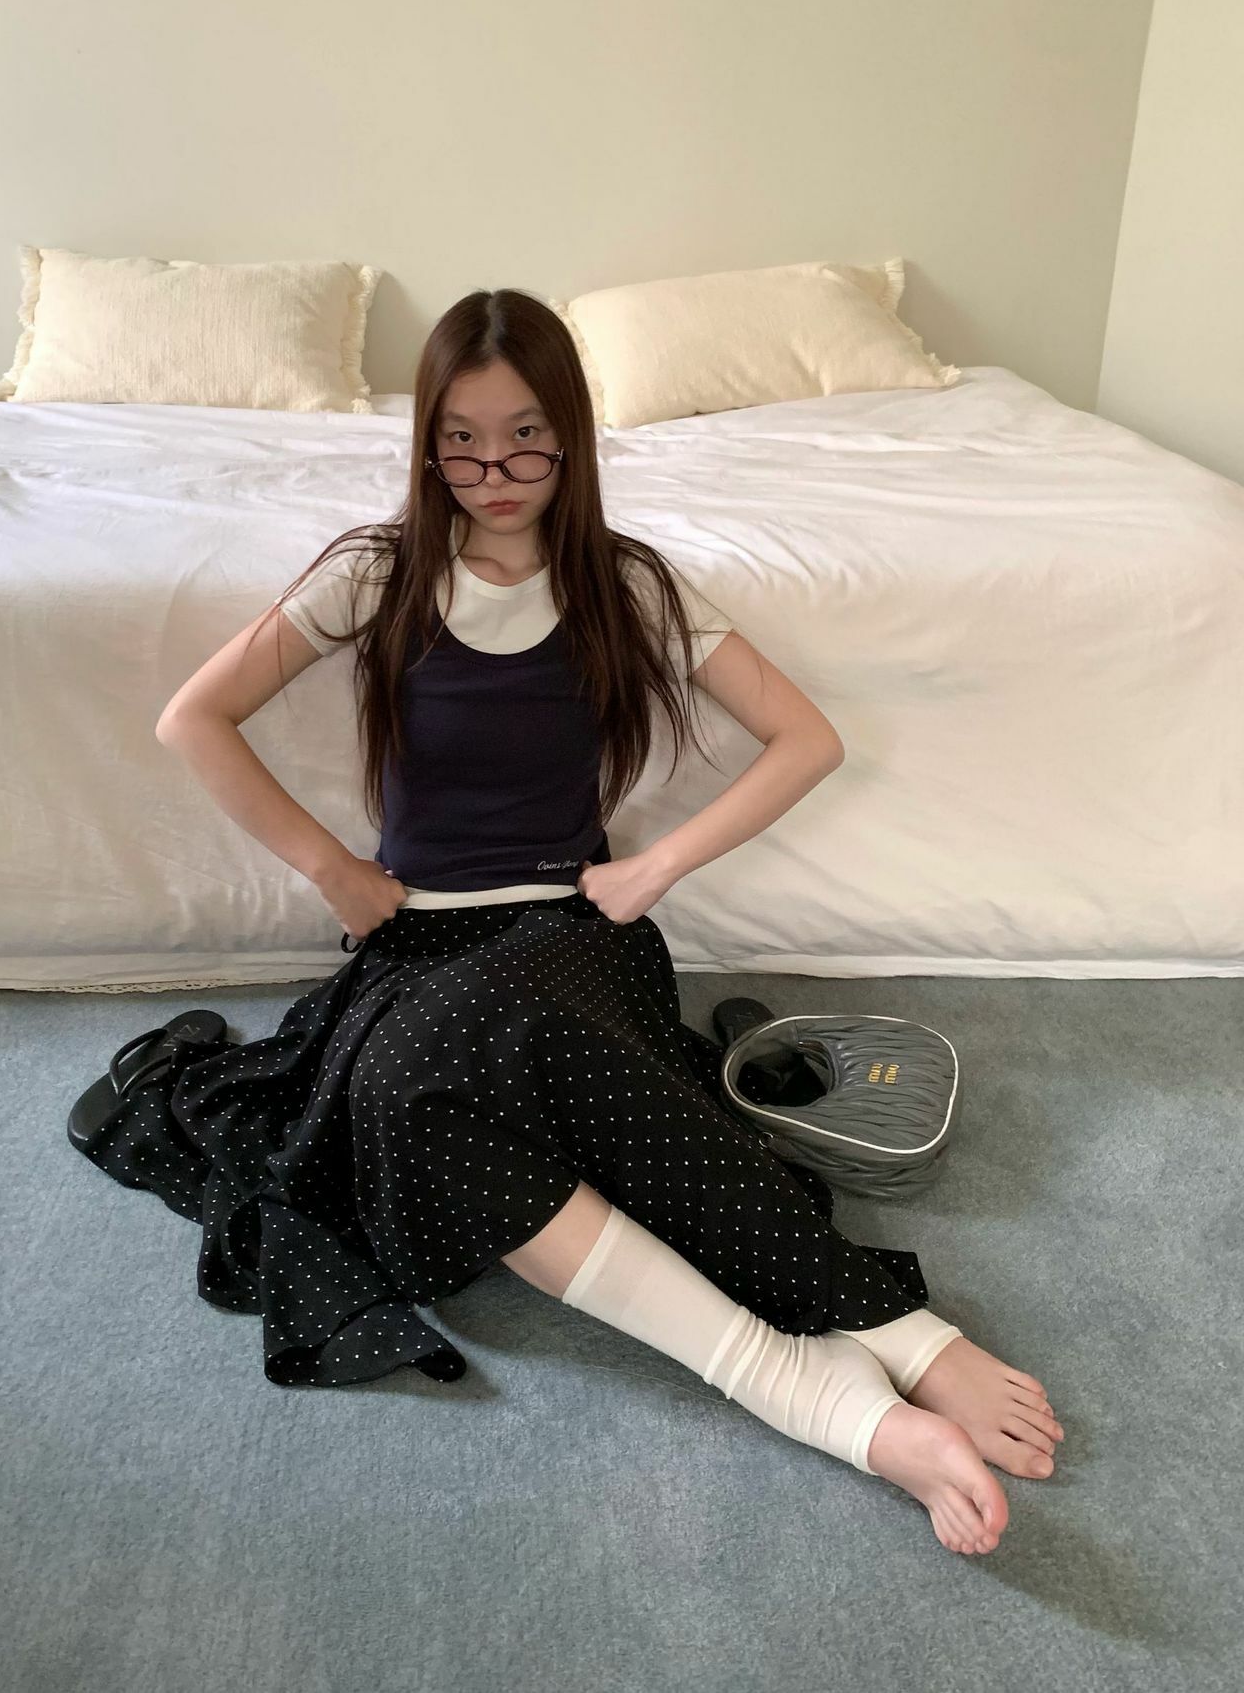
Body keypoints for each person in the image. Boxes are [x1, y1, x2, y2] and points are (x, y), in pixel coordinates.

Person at [100, 287, 1062, 1559]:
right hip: (420, 947)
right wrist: (333, 868)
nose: (494, 473)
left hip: (569, 933)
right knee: (401, 1098)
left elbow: (806, 738)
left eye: (526, 440)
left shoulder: (624, 582)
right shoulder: (376, 572)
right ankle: (808, 1387)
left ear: (573, 438)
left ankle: (892, 1339)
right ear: (426, 443)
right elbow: (193, 718)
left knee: (483, 1053)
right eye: (461, 442)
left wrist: (655, 864)